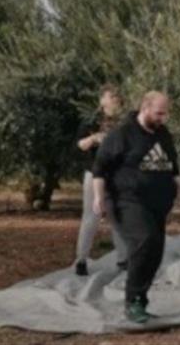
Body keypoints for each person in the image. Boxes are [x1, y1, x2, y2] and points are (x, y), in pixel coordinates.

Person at [91, 91, 180, 324]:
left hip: (157, 203)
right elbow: (100, 168)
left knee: (155, 251)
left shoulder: (163, 133)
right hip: (127, 200)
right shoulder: (122, 134)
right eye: (159, 113)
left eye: (166, 114)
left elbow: (173, 166)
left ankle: (140, 302)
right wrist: (98, 197)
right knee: (144, 241)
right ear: (145, 108)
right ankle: (132, 302)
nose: (163, 118)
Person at [74, 85, 126, 276]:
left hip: (118, 175)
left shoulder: (125, 121)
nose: (115, 99)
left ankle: (123, 260)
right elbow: (80, 144)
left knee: (118, 216)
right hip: (95, 174)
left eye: (117, 96)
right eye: (111, 96)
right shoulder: (91, 121)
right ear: (102, 100)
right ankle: (81, 260)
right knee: (91, 217)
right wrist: (95, 138)